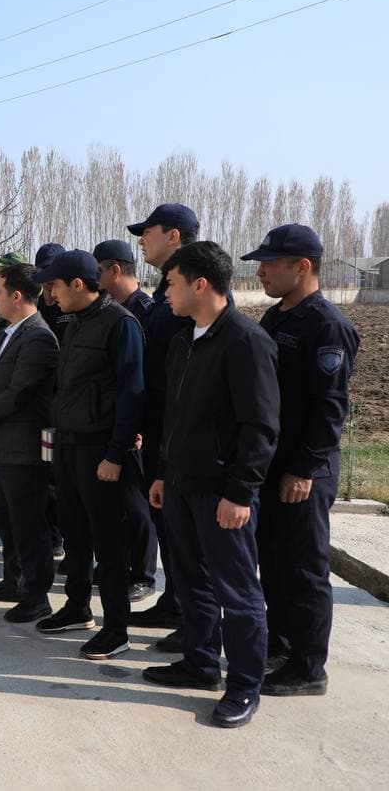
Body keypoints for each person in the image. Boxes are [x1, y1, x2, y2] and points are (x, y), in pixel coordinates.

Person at [142, 241, 279, 729]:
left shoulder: (245, 342)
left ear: (201, 284)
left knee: (237, 591)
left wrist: (241, 493)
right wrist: (161, 473)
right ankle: (200, 664)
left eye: (172, 283)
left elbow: (260, 428)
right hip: (179, 485)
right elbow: (174, 418)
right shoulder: (184, 340)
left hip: (222, 494)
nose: (165, 294)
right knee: (190, 579)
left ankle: (243, 685)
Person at [242, 224, 360, 698]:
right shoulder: (277, 319)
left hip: (302, 470)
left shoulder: (327, 326)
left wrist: (304, 469)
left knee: (305, 569)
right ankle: (281, 643)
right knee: (273, 560)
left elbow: (330, 407)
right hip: (273, 463)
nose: (262, 271)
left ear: (302, 267)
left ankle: (309, 666)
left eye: (270, 263)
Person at [32, 249, 144, 661]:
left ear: (78, 284)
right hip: (68, 445)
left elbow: (133, 394)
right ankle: (77, 607)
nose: (49, 295)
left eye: (54, 286)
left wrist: (115, 454)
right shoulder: (76, 322)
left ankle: (117, 628)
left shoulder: (121, 324)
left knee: (109, 543)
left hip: (101, 451)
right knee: (75, 534)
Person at [128, 202, 202, 648]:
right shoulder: (165, 292)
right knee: (171, 531)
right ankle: (177, 603)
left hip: (182, 435)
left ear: (173, 236)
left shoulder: (194, 292)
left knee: (189, 539)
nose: (142, 240)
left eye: (148, 232)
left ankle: (197, 627)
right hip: (160, 430)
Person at [0, 262, 60, 622]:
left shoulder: (38, 336)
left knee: (29, 525)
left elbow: (19, 391)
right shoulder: (8, 332)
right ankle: (13, 581)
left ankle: (37, 595)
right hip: (3, 445)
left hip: (24, 447)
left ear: (16, 295)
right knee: (8, 521)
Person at [94, 237, 159, 603]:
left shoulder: (142, 311)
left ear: (114, 271)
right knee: (118, 503)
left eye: (98, 272)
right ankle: (116, 565)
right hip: (117, 423)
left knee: (137, 504)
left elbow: (142, 378)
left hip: (135, 429)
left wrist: (138, 428)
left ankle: (143, 573)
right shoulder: (113, 310)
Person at [34, 243, 74, 342]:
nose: (50, 274)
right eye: (45, 269)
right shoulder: (32, 308)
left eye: (55, 269)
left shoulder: (75, 308)